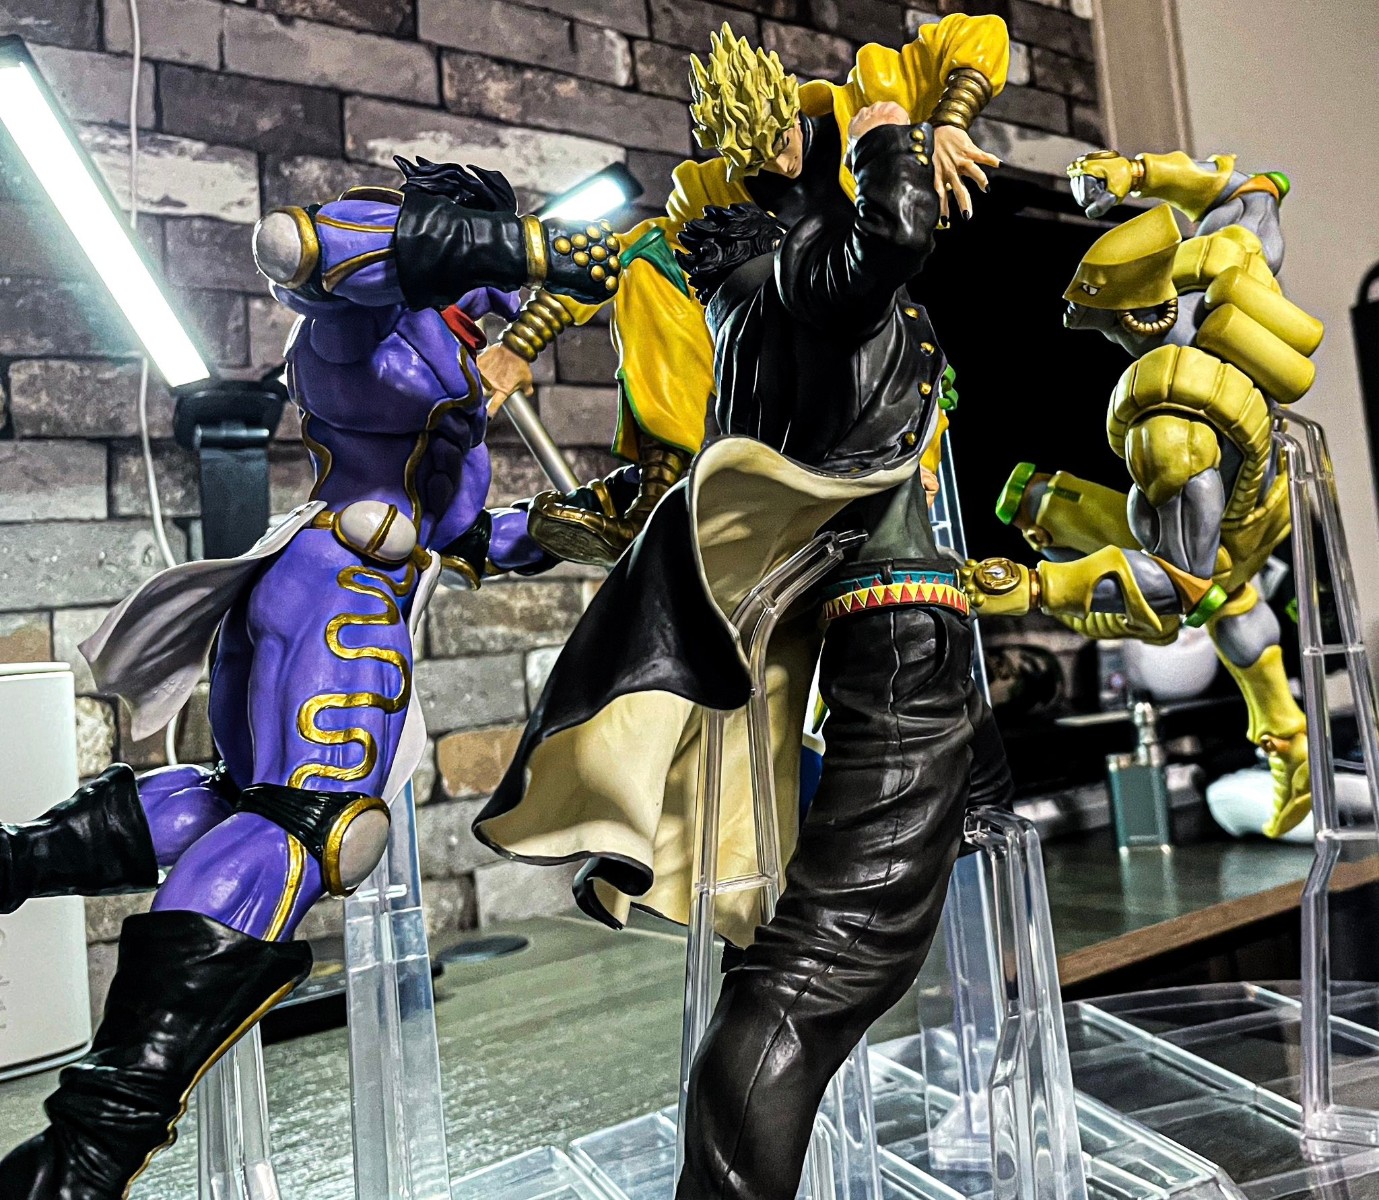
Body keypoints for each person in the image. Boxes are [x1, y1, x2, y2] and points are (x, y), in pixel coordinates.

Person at [0, 157, 614, 1199]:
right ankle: (81, 1159)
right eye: (486, 268)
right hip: (333, 588)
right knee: (316, 826)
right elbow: (297, 245)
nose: (501, 304)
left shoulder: (450, 362)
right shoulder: (368, 313)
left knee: (238, 803)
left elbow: (460, 534)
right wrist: (530, 247)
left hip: (363, 582)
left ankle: (11, 862)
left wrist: (576, 523)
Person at [475, 103, 1012, 1200]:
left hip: (888, 624)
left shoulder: (746, 319)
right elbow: (896, 232)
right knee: (824, 962)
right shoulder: (798, 280)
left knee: (953, 838)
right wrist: (885, 135)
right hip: (894, 624)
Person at [478, 14, 1008, 566]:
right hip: (784, 378)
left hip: (874, 333)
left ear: (789, 106)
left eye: (779, 140)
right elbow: (622, 257)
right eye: (755, 158)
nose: (779, 164)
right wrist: (519, 345)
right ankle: (657, 489)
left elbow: (978, 33)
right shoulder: (715, 190)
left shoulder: (867, 100)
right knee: (654, 264)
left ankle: (898, 461)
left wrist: (950, 120)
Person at [966, 149, 1320, 837]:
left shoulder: (1170, 429)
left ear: (1133, 321)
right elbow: (1252, 190)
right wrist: (1136, 174)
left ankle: (1289, 745)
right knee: (1229, 597)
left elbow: (1175, 589)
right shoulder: (1230, 269)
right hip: (1266, 492)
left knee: (1056, 511)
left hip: (1219, 529)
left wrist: (1036, 589)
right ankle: (1290, 745)